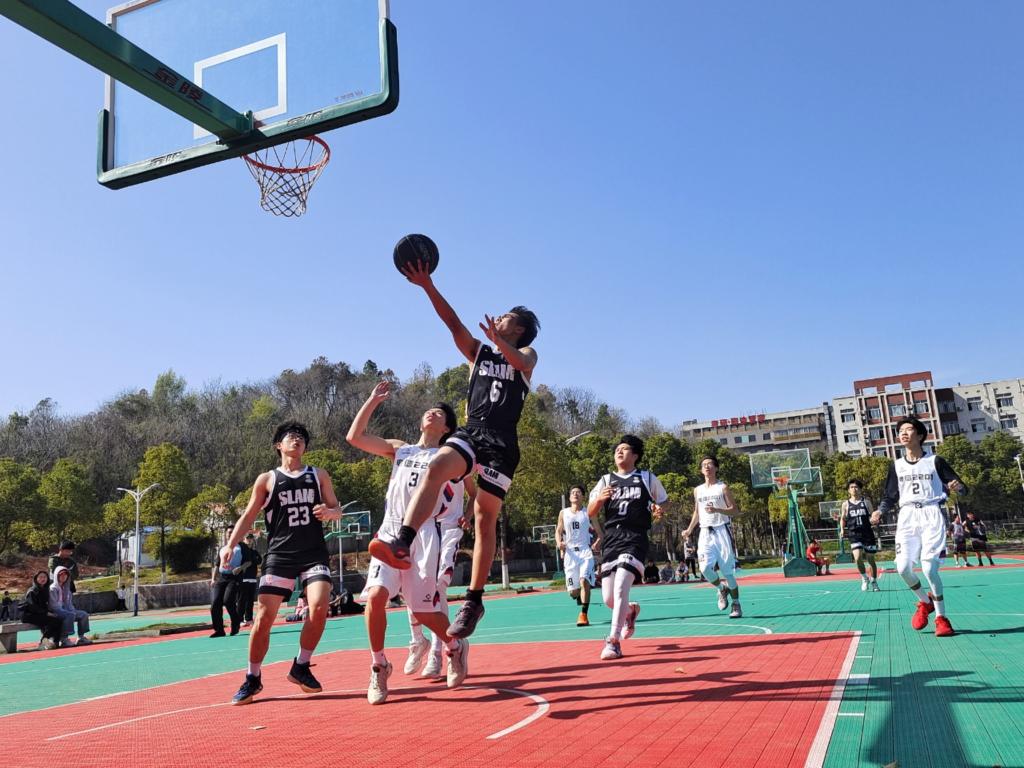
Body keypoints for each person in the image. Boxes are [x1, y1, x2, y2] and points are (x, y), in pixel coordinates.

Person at [369, 258, 539, 640]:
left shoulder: (527, 356)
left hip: (502, 441)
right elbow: (452, 322)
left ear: (519, 329)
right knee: (436, 467)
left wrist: (500, 343)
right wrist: (427, 285)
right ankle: (402, 542)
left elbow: (519, 359)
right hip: (473, 431)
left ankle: (474, 600)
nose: (499, 317)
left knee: (484, 518)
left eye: (507, 317)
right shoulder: (479, 353)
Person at [347, 382, 470, 704]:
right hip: (391, 529)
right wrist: (372, 401)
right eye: (429, 411)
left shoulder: (449, 457)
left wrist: (469, 514)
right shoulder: (401, 449)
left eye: (439, 413)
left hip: (426, 532)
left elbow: (476, 487)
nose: (431, 413)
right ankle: (379, 666)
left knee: (423, 610)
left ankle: (455, 647)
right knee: (376, 597)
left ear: (447, 428)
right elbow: (355, 438)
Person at [221, 421, 344, 705]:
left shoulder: (318, 475)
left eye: (301, 437)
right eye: (291, 436)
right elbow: (249, 515)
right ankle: (252, 677)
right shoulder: (267, 479)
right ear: (279, 445)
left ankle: (301, 665)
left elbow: (337, 509)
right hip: (280, 555)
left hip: (313, 553)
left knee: (319, 606)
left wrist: (331, 512)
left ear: (305, 447)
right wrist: (230, 544)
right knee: (264, 618)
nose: (297, 440)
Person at [878, 417, 967, 638]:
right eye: (900, 430)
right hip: (907, 516)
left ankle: (941, 618)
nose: (903, 433)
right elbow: (890, 496)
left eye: (909, 429)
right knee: (902, 568)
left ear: (919, 435)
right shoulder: (896, 465)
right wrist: (879, 511)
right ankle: (924, 602)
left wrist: (958, 487)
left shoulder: (935, 461)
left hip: (931, 514)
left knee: (929, 569)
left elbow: (963, 488)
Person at [588, 435, 668, 660]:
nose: (619, 452)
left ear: (635, 455)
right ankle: (630, 611)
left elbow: (664, 500)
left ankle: (613, 642)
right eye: (617, 450)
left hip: (635, 536)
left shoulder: (647, 477)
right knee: (608, 599)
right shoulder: (605, 480)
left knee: (622, 584)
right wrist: (600, 499)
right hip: (612, 538)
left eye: (624, 449)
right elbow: (591, 512)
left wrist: (659, 509)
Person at [406, 468, 476, 678]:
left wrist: (467, 516)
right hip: (422, 529)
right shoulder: (422, 461)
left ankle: (437, 653)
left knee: (438, 587)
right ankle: (418, 640)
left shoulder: (461, 463)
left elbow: (474, 493)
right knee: (412, 587)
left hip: (449, 528)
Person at [684, 455, 743, 618]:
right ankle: (721, 589)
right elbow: (697, 512)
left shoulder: (722, 487)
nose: (707, 466)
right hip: (704, 532)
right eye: (704, 465)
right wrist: (689, 529)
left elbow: (734, 510)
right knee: (704, 569)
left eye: (710, 464)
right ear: (701, 470)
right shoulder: (698, 490)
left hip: (721, 530)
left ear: (716, 468)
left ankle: (736, 604)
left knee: (728, 573)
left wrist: (717, 510)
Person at [556, 485, 602, 627]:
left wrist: (597, 542)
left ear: (583, 496)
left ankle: (583, 615)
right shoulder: (563, 513)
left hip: (585, 552)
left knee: (584, 581)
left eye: (578, 492)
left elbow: (600, 533)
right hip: (570, 554)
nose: (575, 494)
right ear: (569, 497)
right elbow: (558, 531)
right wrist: (559, 543)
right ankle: (578, 596)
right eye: (573, 492)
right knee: (573, 592)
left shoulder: (589, 512)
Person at [840, 479, 880, 591]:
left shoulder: (866, 502)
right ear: (848, 490)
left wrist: (874, 520)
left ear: (860, 489)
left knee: (871, 559)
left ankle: (874, 581)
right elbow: (843, 518)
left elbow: (872, 516)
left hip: (867, 533)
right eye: (852, 487)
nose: (854, 489)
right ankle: (864, 578)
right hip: (854, 534)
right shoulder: (845, 504)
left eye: (856, 487)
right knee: (857, 558)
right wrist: (842, 529)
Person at [20, 572, 63, 650]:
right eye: (40, 577)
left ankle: (55, 642)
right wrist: (47, 613)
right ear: (36, 579)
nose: (43, 579)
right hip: (29, 615)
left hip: (39, 614)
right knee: (55, 621)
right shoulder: (32, 591)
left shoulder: (45, 590)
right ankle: (44, 641)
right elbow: (32, 606)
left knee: (58, 619)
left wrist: (49, 612)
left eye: (45, 577)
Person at [49, 566, 91, 647]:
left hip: (66, 610)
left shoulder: (67, 589)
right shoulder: (52, 589)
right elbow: (53, 605)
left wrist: (72, 610)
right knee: (69, 615)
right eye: (61, 574)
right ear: (56, 575)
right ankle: (64, 639)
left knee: (83, 614)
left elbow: (69, 604)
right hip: (56, 611)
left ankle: (81, 638)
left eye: (65, 574)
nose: (63, 576)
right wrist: (67, 612)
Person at [210, 539, 243, 637]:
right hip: (221, 578)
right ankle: (219, 630)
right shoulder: (223, 548)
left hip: (234, 578)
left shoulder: (242, 547)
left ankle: (235, 624)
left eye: (232, 532)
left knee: (228, 601)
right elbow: (217, 565)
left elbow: (249, 562)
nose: (230, 534)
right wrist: (213, 579)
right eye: (228, 532)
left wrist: (240, 568)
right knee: (215, 603)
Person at [237, 533, 262, 627]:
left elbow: (259, 560)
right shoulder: (240, 551)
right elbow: (245, 561)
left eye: (251, 538)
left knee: (250, 600)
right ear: (244, 539)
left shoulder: (254, 551)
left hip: (252, 578)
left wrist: (252, 561)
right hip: (243, 578)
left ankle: (249, 619)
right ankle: (239, 619)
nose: (249, 539)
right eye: (247, 538)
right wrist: (252, 561)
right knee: (241, 599)